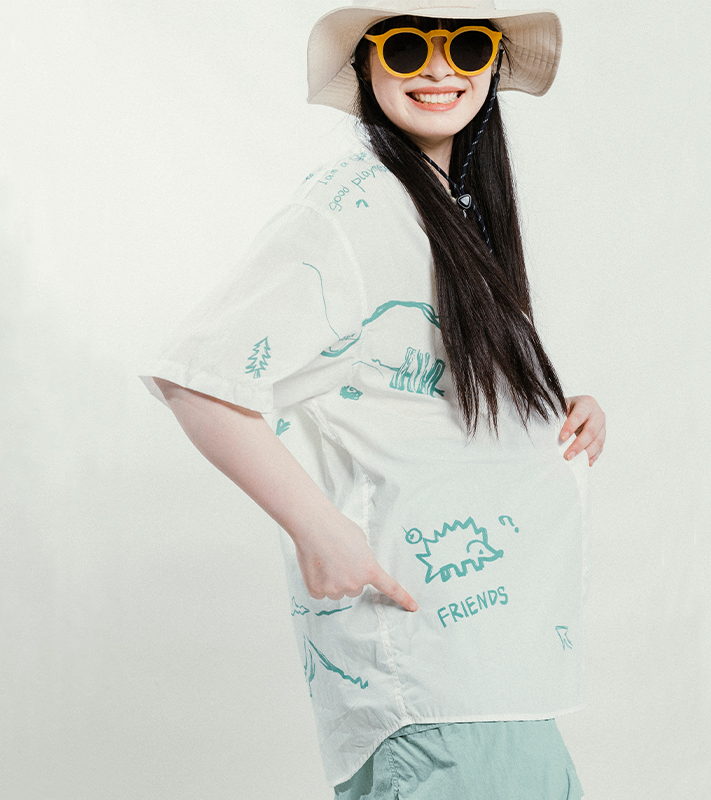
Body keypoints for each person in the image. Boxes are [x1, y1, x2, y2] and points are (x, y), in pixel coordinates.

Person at [141, 1, 606, 797]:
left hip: (502, 672)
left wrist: (547, 406)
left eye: (467, 45)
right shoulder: (349, 209)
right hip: (434, 677)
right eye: (407, 47)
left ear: (492, 65)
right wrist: (318, 527)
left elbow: (415, 382)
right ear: (365, 63)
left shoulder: (452, 211)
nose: (440, 68)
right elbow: (197, 375)